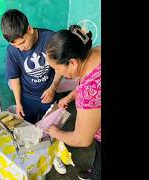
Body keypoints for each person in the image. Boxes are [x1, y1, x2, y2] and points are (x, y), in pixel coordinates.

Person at [45, 25, 101, 180]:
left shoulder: (88, 92)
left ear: (72, 63)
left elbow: (82, 139)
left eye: (57, 68)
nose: (58, 73)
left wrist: (57, 133)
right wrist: (70, 97)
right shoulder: (96, 52)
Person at [0, 9, 63, 124]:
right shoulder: (11, 51)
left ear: (30, 29)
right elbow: (14, 78)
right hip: (27, 98)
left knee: (50, 132)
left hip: (49, 95)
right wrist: (18, 103)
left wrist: (53, 88)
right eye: (16, 45)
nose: (21, 48)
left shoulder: (51, 39)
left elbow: (61, 67)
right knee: (27, 131)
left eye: (22, 42)